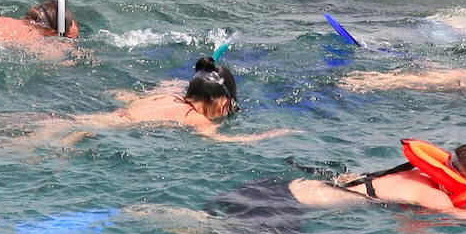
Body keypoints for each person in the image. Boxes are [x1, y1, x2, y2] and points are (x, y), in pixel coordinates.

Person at [133, 139, 466, 234]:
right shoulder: (437, 197)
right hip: (285, 208)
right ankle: (141, 215)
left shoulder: (422, 173)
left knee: (208, 230)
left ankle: (145, 215)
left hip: (284, 186)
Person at [38, 55, 290, 146]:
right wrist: (267, 136)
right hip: (100, 129)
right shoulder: (198, 120)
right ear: (222, 102)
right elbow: (222, 141)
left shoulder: (167, 95)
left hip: (100, 118)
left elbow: (122, 94)